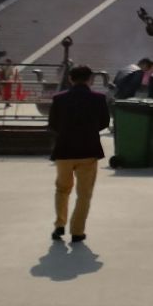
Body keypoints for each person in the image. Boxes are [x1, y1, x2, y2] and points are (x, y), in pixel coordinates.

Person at [48, 66, 110, 243]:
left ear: (70, 79)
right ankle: (77, 230)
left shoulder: (59, 99)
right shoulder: (98, 99)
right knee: (84, 193)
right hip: (88, 150)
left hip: (64, 150)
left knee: (62, 189)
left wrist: (67, 131)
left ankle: (59, 224)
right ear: (90, 79)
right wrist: (88, 130)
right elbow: (104, 122)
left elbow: (53, 124)